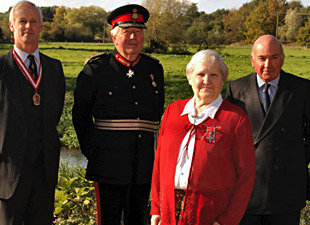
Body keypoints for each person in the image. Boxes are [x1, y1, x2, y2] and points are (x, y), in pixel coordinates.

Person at [72, 4, 164, 225]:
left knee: (139, 219)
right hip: (108, 166)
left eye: (138, 32)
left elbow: (156, 115)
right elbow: (80, 116)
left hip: (143, 166)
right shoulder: (96, 70)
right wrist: (93, 153)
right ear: (114, 37)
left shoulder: (154, 69)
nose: (133, 37)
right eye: (127, 32)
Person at [150, 49, 255, 225]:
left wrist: (227, 221)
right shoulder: (173, 112)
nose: (207, 81)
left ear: (222, 80)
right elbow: (159, 164)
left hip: (211, 215)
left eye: (214, 75)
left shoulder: (235, 118)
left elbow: (246, 176)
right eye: (201, 74)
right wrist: (156, 209)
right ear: (190, 78)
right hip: (168, 212)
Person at [226, 34, 310, 225]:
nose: (267, 65)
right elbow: (229, 138)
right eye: (262, 58)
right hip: (247, 188)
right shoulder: (236, 89)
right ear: (252, 60)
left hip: (286, 188)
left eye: (274, 57)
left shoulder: (302, 88)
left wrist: (294, 159)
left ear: (283, 58)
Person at [0, 1, 66, 225]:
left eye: (33, 21)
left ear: (40, 26)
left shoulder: (54, 68)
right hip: (8, 175)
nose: (28, 26)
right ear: (11, 25)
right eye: (22, 21)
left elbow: (54, 115)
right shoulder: (1, 68)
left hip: (44, 175)